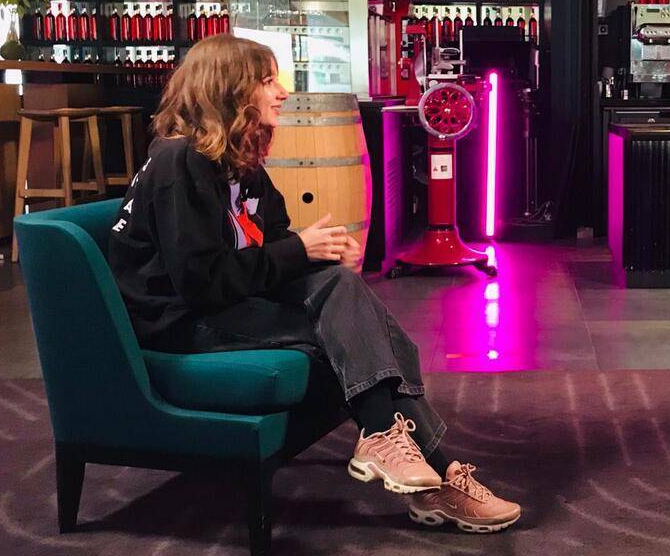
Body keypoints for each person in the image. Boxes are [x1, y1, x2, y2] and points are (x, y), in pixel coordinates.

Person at [107, 34, 520, 534]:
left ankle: (402, 451)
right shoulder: (179, 162)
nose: (282, 92)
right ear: (229, 91)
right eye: (266, 81)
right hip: (180, 321)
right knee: (359, 335)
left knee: (341, 289)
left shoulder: (237, 161)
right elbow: (202, 284)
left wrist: (318, 253)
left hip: (226, 303)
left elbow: (272, 241)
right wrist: (300, 251)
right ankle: (434, 471)